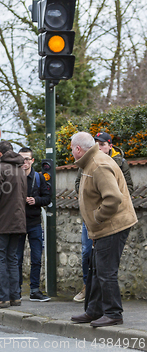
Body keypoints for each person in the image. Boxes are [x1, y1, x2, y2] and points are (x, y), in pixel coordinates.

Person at [70, 132, 137, 327]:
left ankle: (113, 313)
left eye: (72, 149)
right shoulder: (91, 163)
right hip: (104, 227)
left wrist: (97, 218)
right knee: (96, 269)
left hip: (112, 225)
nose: (72, 152)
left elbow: (113, 198)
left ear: (78, 149)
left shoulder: (98, 165)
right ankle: (94, 311)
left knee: (106, 271)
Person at [0, 141, 27, 309]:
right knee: (12, 259)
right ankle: (15, 297)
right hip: (18, 221)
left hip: (2, 221)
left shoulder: (0, 168)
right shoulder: (20, 169)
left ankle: (1, 297)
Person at [16, 148, 51, 302]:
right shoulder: (14, 177)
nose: (25, 162)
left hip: (34, 223)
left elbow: (48, 198)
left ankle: (34, 290)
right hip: (17, 224)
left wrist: (35, 200)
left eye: (27, 159)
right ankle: (16, 290)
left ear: (32, 160)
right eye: (22, 159)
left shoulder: (38, 178)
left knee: (36, 257)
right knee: (17, 258)